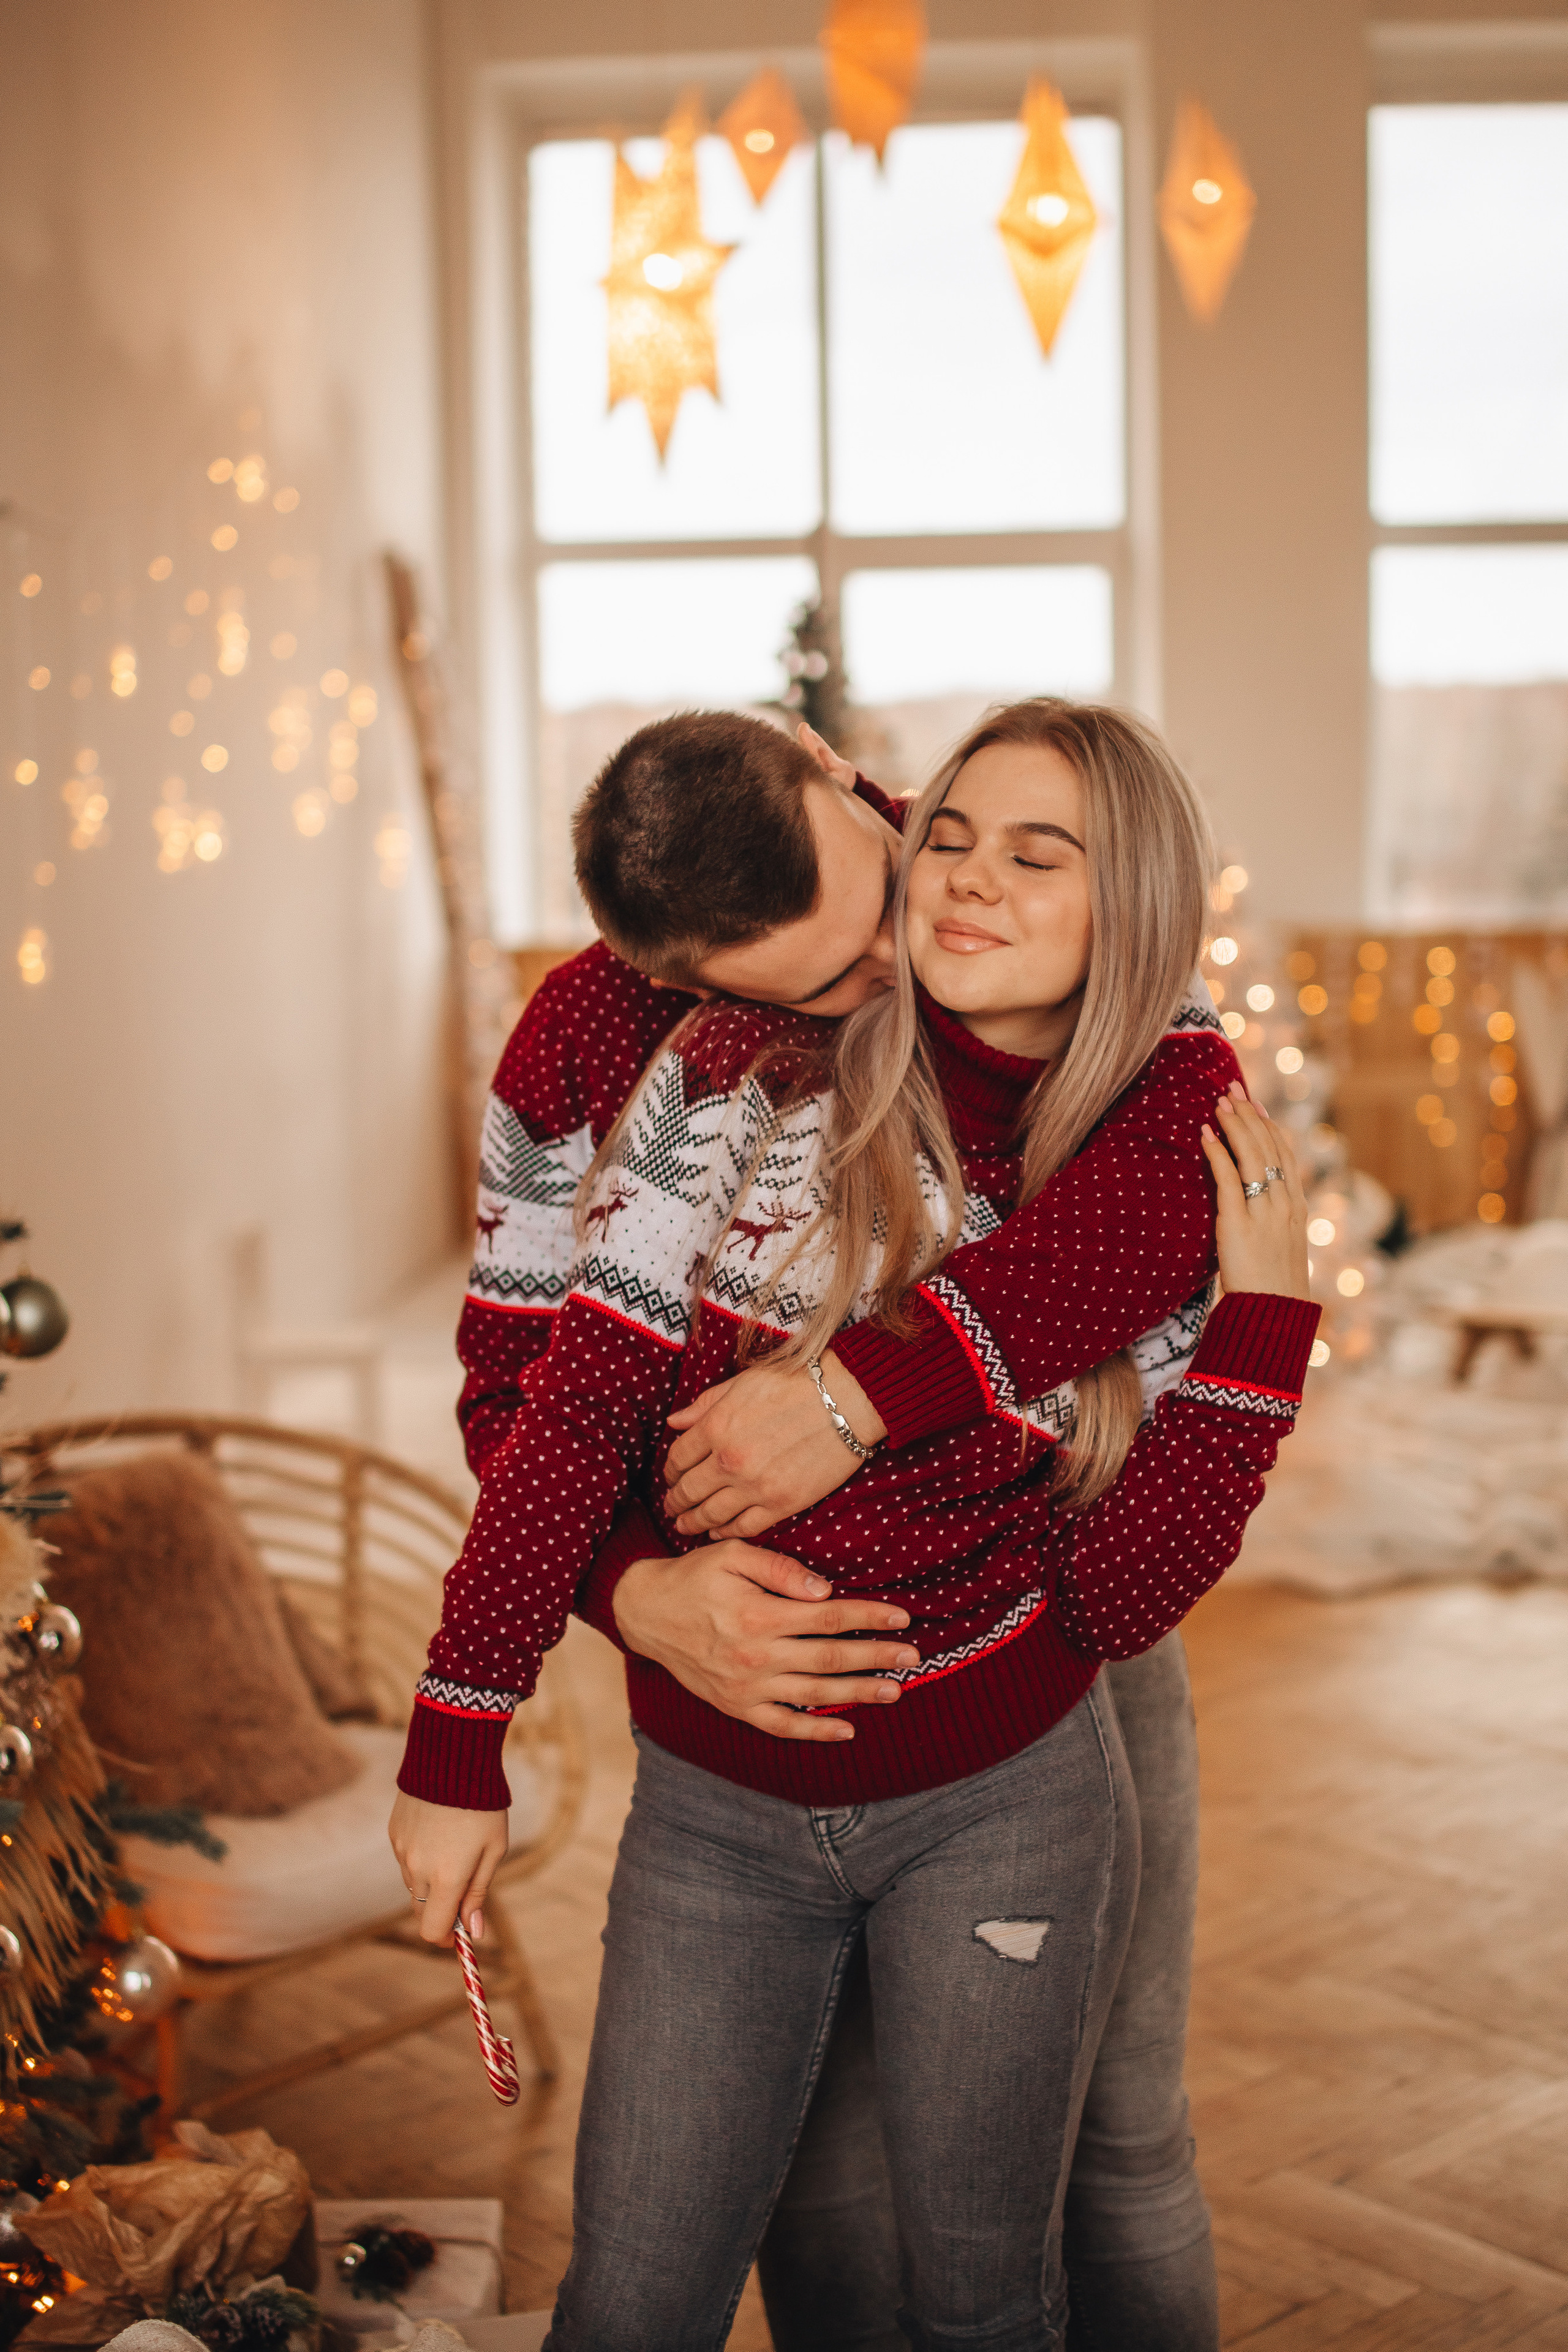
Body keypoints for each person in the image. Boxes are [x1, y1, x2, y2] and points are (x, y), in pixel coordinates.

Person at [392, 699, 1319, 2348]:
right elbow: (528, 1402)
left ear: (840, 773)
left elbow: (1143, 1218)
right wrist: (636, 1602)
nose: (895, 959)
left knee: (1108, 2149)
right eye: (820, 982)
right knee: (807, 2195)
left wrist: (858, 1395)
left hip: (1040, 1665)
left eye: (887, 887)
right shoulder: (652, 1061)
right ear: (690, 984)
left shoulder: (1031, 923)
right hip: (732, 1722)